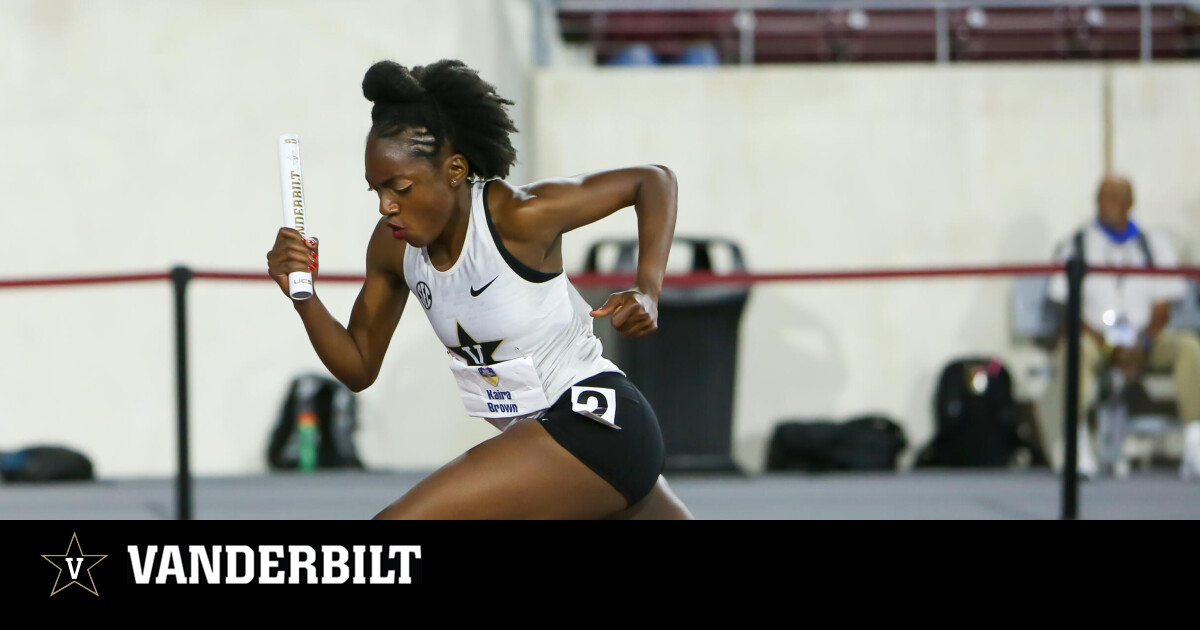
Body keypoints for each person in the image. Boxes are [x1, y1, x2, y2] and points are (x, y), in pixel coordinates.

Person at [266, 59, 695, 518]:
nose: (386, 205)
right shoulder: (394, 249)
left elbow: (652, 180)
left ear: (454, 170)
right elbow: (357, 368)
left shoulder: (516, 216)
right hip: (550, 445)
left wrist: (647, 289)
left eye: (400, 187)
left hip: (596, 425)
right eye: (376, 191)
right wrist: (302, 295)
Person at [1039, 174, 1200, 480]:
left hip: (1143, 340)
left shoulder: (1154, 246)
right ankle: (1078, 441)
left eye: (1114, 197)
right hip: (1095, 339)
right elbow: (1066, 309)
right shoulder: (1077, 244)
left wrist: (1144, 343)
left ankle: (1196, 440)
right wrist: (1108, 343)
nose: (1106, 204)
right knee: (1075, 351)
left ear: (1130, 203)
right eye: (1101, 196)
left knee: (1189, 348)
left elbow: (1163, 306)